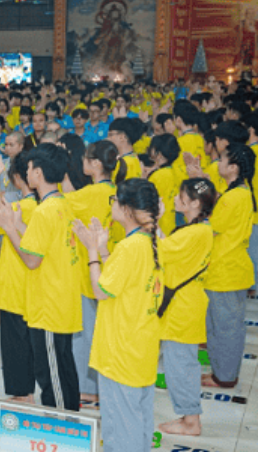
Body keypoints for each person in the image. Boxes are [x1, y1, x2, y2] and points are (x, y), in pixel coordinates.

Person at [73, 179, 163, 452]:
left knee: (121, 427)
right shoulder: (149, 241)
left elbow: (101, 290)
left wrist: (90, 250)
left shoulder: (130, 247)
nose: (111, 204)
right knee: (138, 421)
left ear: (126, 209)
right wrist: (102, 248)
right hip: (141, 345)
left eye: (115, 200)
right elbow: (122, 278)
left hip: (121, 349)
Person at [0, 143, 82, 412]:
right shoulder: (60, 204)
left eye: (29, 167)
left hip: (49, 304)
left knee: (52, 377)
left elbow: (31, 260)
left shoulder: (44, 211)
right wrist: (15, 223)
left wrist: (8, 228)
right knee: (63, 368)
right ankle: (70, 424)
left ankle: (61, 426)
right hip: (60, 299)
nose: (26, 172)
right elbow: (37, 240)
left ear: (38, 173)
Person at [156, 178, 215, 437]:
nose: (176, 198)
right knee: (181, 364)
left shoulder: (195, 232)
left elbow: (159, 249)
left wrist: (152, 221)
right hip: (184, 304)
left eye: (181, 196)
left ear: (194, 203)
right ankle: (189, 416)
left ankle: (191, 421)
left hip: (183, 307)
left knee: (180, 366)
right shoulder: (196, 229)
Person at [63, 140, 120, 405]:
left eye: (86, 158)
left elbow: (61, 203)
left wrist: (60, 170)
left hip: (91, 269)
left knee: (85, 332)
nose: (82, 162)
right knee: (103, 329)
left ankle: (87, 388)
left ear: (96, 164)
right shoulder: (115, 191)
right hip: (114, 265)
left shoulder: (90, 194)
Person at [0, 154, 37, 402]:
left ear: (16, 178)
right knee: (25, 339)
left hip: (14, 283)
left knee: (15, 341)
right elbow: (0, 204)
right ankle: (26, 390)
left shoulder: (22, 208)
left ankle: (21, 393)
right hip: (31, 282)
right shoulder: (37, 206)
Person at [201, 143, 255, 388]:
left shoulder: (234, 197)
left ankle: (224, 377)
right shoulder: (238, 191)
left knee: (225, 328)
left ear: (233, 168)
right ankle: (221, 372)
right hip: (228, 268)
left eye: (221, 159)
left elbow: (211, 227)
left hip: (226, 270)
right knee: (223, 325)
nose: (217, 162)